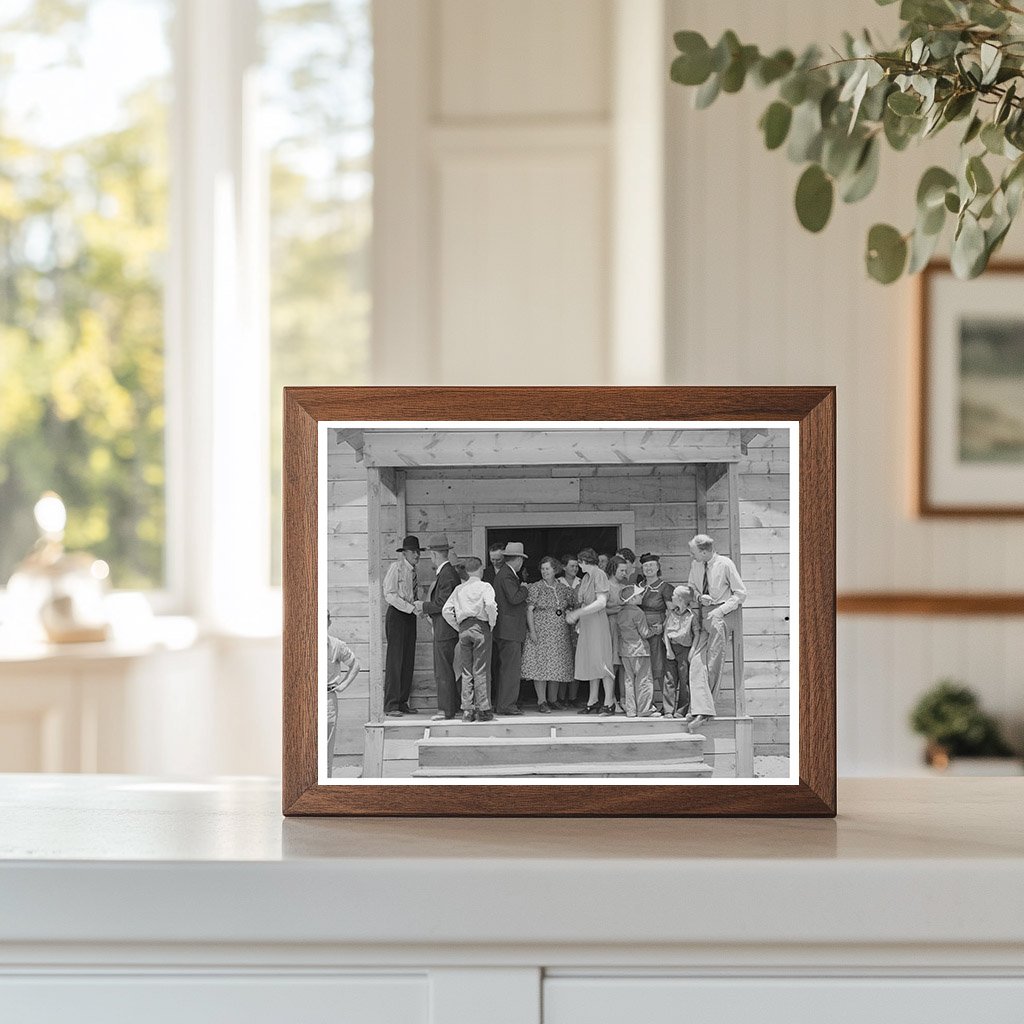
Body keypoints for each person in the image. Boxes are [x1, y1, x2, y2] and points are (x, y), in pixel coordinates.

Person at [687, 534, 747, 728]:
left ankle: (704, 712)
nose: (691, 555)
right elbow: (691, 587)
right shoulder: (696, 565)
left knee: (713, 663)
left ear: (704, 551)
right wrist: (698, 597)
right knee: (696, 662)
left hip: (720, 615)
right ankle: (700, 708)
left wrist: (720, 611)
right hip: (704, 614)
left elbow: (741, 593)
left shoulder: (725, 564)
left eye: (694, 552)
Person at [442, 556, 497, 723]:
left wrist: (459, 626)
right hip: (481, 627)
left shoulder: (459, 589)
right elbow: (489, 605)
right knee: (480, 669)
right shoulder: (485, 586)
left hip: (464, 629)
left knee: (466, 670)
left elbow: (446, 610)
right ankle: (483, 709)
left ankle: (467, 710)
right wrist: (492, 623)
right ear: (480, 569)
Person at [522, 555, 577, 712]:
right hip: (541, 630)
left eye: (548, 569)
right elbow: (529, 610)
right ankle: (542, 701)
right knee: (541, 665)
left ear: (555, 570)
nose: (545, 571)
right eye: (543, 569)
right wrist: (532, 631)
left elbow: (574, 602)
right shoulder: (536, 587)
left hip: (559, 632)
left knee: (557, 665)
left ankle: (553, 700)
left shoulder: (562, 588)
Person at [566, 547, 615, 715]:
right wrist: (580, 620)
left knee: (601, 660)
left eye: (580, 563)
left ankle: (609, 701)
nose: (579, 567)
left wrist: (578, 613)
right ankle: (592, 700)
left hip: (597, 622)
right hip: (587, 624)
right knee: (591, 661)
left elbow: (601, 602)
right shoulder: (586, 577)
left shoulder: (599, 574)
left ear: (584, 562)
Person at [419, 533, 462, 722]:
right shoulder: (448, 573)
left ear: (435, 555)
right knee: (446, 669)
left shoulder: (446, 574)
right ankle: (450, 707)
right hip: (445, 629)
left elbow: (443, 603)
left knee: (443, 670)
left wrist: (423, 606)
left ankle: (446, 710)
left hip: (445, 630)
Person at [382, 535, 423, 717]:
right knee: (395, 659)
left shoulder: (414, 572)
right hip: (398, 616)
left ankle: (402, 701)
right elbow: (389, 594)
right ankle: (391, 704)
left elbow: (414, 593)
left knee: (408, 659)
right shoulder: (396, 568)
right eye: (413, 551)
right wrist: (409, 608)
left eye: (418, 551)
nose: (417, 555)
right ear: (404, 553)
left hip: (410, 616)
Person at [493, 541, 530, 715]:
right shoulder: (508, 575)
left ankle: (504, 703)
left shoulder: (505, 573)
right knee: (511, 670)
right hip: (510, 631)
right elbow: (515, 598)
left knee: (507, 669)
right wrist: (524, 588)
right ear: (518, 560)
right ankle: (507, 705)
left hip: (507, 630)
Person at [635, 552, 675, 709]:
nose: (648, 568)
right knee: (643, 667)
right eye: (645, 566)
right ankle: (646, 704)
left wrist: (663, 627)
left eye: (651, 565)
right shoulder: (639, 588)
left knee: (659, 666)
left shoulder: (664, 587)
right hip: (639, 631)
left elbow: (672, 611)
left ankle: (667, 706)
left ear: (658, 567)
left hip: (657, 632)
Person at [615, 584, 661, 718]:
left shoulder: (621, 613)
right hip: (640, 650)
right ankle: (644, 709)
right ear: (632, 599)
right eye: (639, 595)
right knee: (643, 680)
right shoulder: (638, 612)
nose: (642, 596)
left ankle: (631, 710)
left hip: (625, 651)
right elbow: (645, 633)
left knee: (629, 681)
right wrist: (656, 629)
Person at [326, 612, 361, 772]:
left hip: (327, 700)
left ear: (329, 622)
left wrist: (344, 685)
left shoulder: (336, 645)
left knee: (325, 749)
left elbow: (355, 664)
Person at [662, 584, 697, 719]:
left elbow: (697, 634)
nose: (672, 597)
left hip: (685, 650)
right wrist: (668, 650)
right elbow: (665, 632)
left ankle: (681, 710)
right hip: (671, 648)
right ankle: (668, 710)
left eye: (674, 596)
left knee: (684, 681)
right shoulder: (671, 613)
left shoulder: (692, 616)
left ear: (681, 599)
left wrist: (692, 650)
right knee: (669, 680)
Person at [605, 555, 631, 713]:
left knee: (624, 664)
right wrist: (618, 608)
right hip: (610, 626)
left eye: (626, 570)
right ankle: (611, 698)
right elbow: (601, 609)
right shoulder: (606, 586)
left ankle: (624, 698)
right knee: (612, 664)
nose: (624, 573)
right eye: (622, 570)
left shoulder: (624, 587)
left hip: (624, 627)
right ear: (613, 569)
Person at [483, 540, 505, 703]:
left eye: (498, 559)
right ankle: (492, 699)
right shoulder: (485, 574)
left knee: (505, 664)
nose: (495, 562)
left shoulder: (511, 571)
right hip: (489, 624)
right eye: (492, 559)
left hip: (506, 623)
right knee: (491, 663)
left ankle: (505, 698)